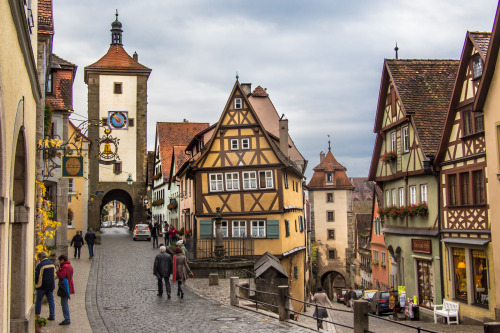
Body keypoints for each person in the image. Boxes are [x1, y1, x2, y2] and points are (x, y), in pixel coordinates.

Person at [35, 252, 56, 321]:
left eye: (39, 258)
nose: (39, 259)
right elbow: (54, 275)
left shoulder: (40, 265)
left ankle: (37, 315)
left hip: (42, 286)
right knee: (51, 300)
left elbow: (38, 276)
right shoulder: (52, 263)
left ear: (41, 257)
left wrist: (37, 285)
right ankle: (52, 315)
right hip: (50, 286)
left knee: (39, 300)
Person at [56, 254, 74, 325]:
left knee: (64, 303)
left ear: (62, 260)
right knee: (64, 302)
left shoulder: (64, 266)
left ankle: (67, 319)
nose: (59, 262)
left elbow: (61, 275)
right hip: (68, 285)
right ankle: (67, 318)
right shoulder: (69, 266)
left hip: (64, 287)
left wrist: (57, 271)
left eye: (60, 260)